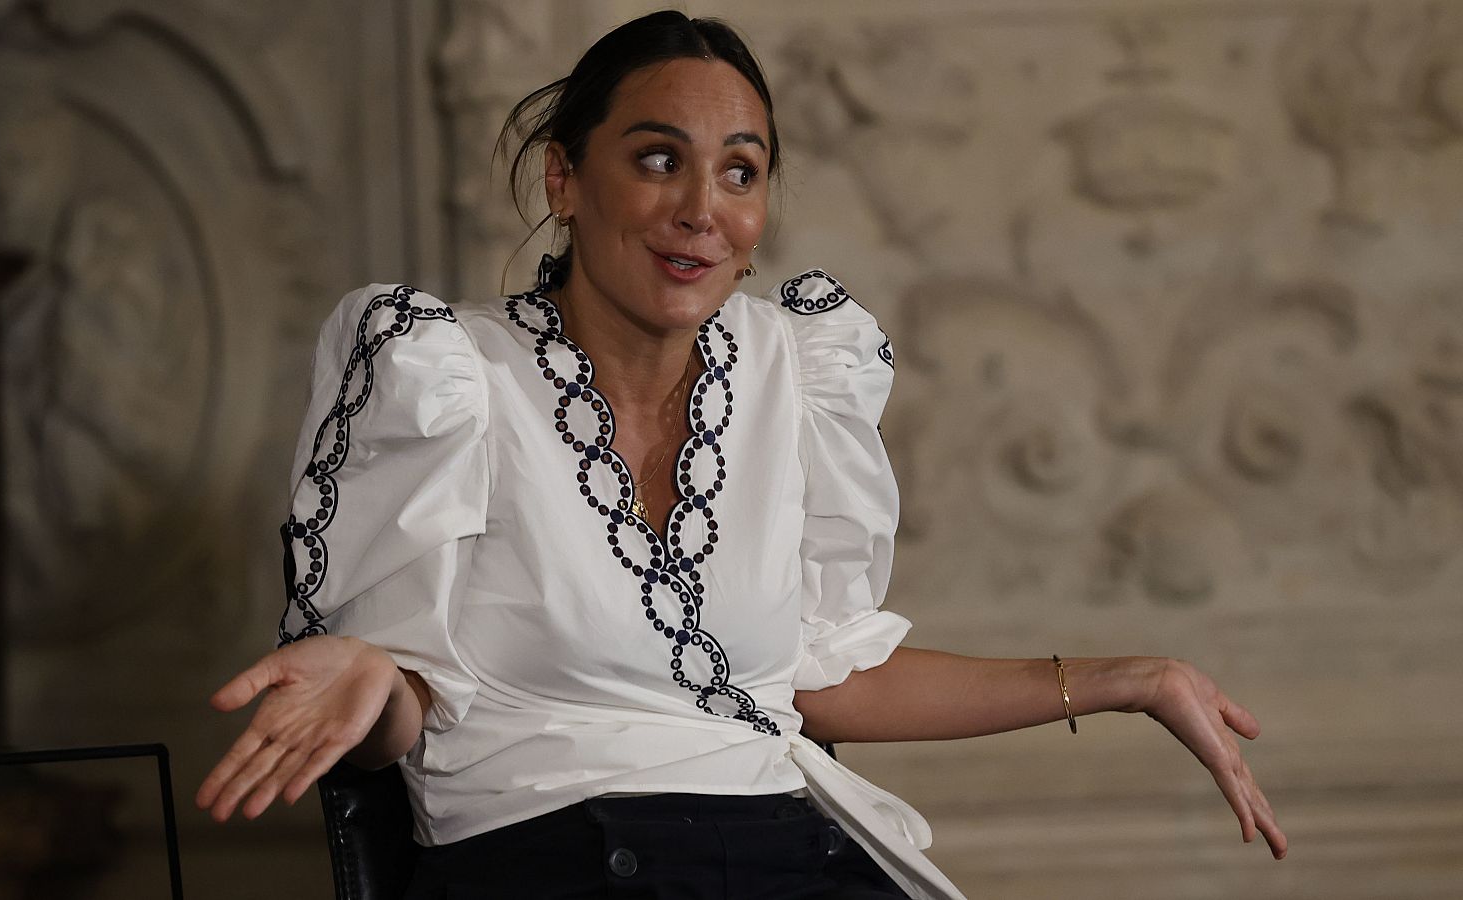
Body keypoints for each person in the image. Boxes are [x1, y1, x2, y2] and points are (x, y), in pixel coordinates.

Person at [196, 11, 1286, 898]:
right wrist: (369, 667)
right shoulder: (446, 376)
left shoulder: (793, 368)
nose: (700, 213)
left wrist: (1133, 679)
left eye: (740, 171)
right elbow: (406, 716)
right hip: (551, 858)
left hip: (787, 855)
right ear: (564, 180)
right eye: (659, 159)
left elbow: (826, 678)